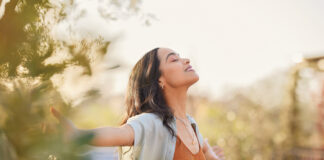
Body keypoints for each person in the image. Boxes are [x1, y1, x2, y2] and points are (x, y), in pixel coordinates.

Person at [50, 47, 225, 160]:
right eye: (174, 59)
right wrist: (78, 135)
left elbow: (208, 153)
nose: (186, 60)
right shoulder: (152, 123)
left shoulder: (191, 125)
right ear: (159, 81)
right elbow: (120, 133)